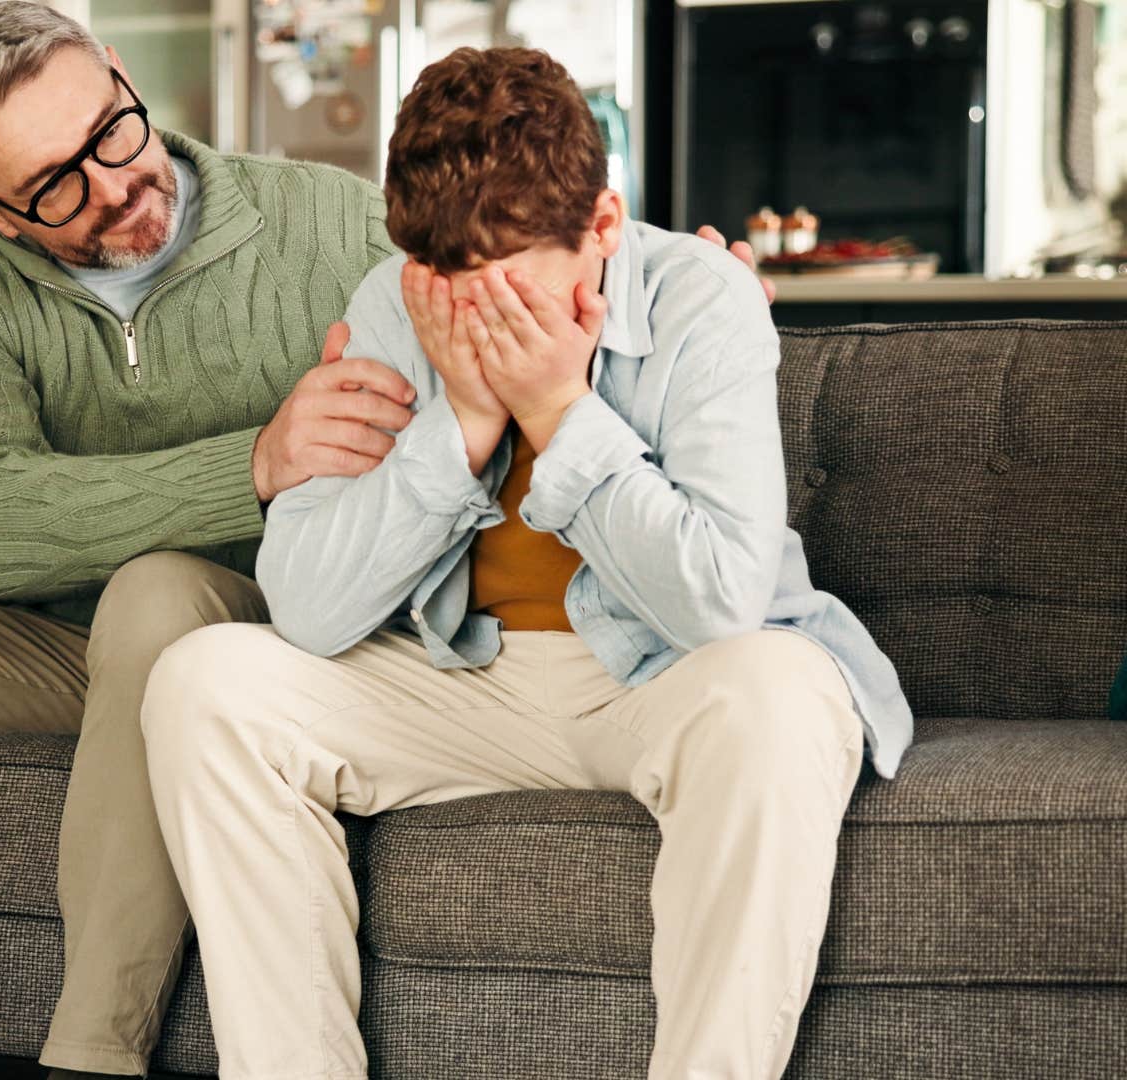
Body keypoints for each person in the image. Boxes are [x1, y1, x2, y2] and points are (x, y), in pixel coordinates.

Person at [0, 7, 774, 1079]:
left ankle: (91, 1057)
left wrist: (695, 290)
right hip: (39, 644)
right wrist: (253, 465)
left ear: (123, 80)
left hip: (224, 611)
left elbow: (532, 260)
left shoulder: (328, 222)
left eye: (112, 132)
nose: (114, 183)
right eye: (55, 187)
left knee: (159, 595)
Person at [141, 47, 913, 1080]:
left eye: (504, 291)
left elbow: (723, 605)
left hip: (667, 680)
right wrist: (461, 422)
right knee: (206, 681)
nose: (467, 318)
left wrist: (558, 412)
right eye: (443, 283)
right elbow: (311, 612)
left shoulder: (700, 302)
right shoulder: (397, 301)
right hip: (464, 686)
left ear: (600, 227)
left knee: (780, 693)